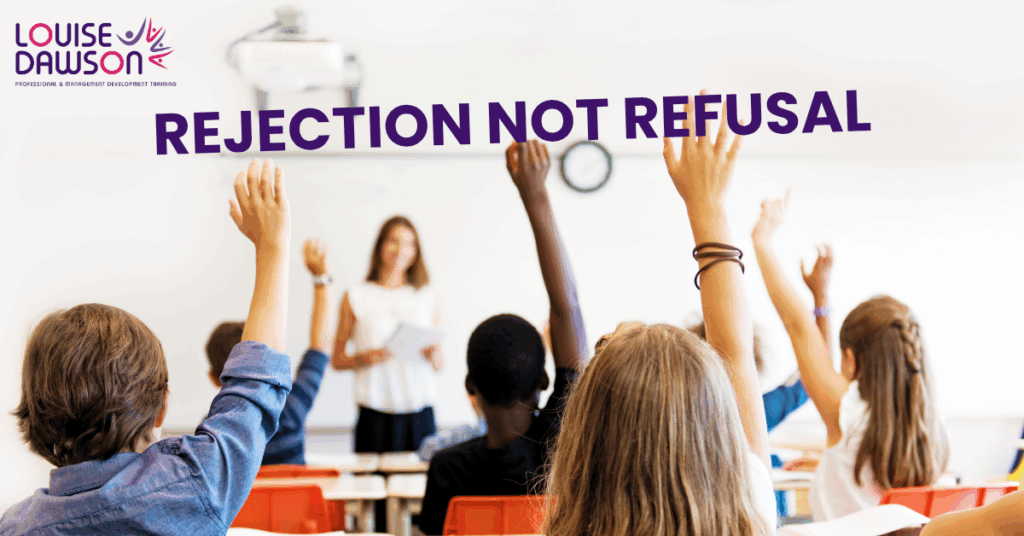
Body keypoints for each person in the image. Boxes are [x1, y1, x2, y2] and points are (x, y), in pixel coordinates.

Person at [0, 159, 293, 535]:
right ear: (161, 408)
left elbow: (254, 388)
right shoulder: (190, 487)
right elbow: (251, 393)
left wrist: (272, 249)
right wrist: (273, 247)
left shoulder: (15, 527)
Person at [544, 91, 777, 536]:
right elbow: (736, 354)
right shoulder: (750, 506)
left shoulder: (574, 525)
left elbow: (734, 356)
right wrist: (707, 205)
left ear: (586, 437)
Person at [416, 140, 588, 536]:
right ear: (545, 382)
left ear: (469, 387)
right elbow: (568, 310)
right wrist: (536, 196)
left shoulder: (447, 469)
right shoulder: (561, 451)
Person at [752, 193, 949, 521]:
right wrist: (821, 295)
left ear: (851, 360)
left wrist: (762, 241)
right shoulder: (932, 431)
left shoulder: (846, 412)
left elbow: (799, 327)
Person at [203, 238, 334, 465]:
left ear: (214, 378)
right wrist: (320, 278)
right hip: (296, 502)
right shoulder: (291, 411)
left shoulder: (212, 432)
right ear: (263, 364)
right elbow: (320, 348)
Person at [331, 216, 442, 453]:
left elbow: (439, 364)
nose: (401, 249)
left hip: (420, 411)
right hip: (375, 414)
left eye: (409, 243)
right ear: (380, 245)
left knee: (421, 487)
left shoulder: (426, 296)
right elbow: (337, 360)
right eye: (393, 241)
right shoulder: (356, 296)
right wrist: (366, 357)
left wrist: (434, 355)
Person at [417, 320, 551, 462]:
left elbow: (426, 449)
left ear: (469, 387)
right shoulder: (553, 448)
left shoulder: (446, 463)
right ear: (544, 381)